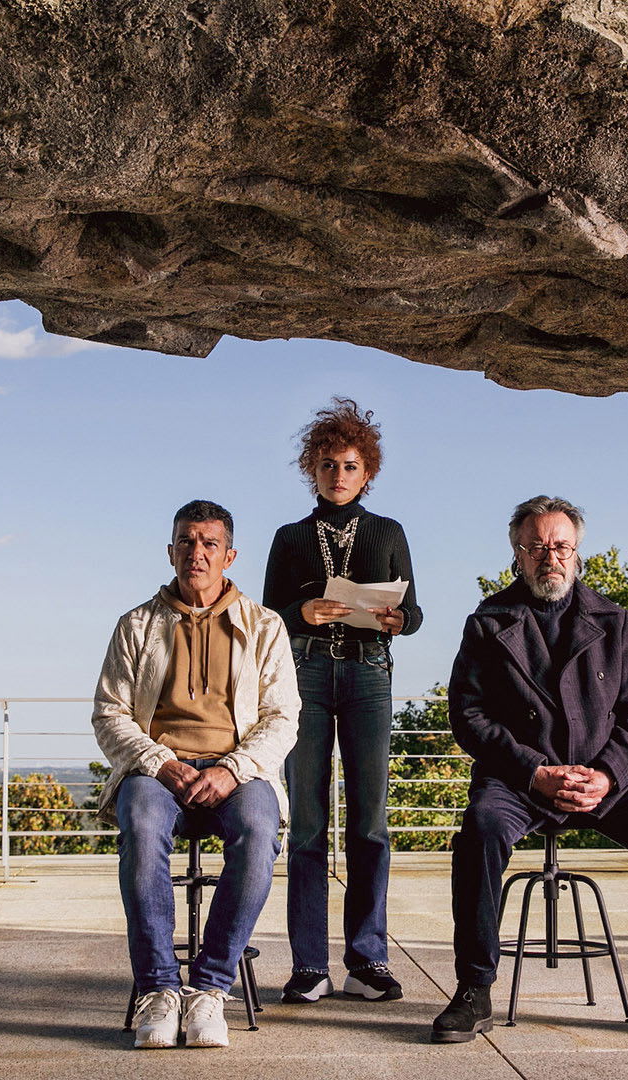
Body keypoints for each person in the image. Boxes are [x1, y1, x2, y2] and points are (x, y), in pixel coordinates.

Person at [430, 495, 628, 1044]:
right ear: (517, 554)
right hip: (518, 782)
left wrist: (608, 774)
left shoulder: (613, 620)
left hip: (602, 778)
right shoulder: (487, 622)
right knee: (480, 830)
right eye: (537, 546)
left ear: (578, 552)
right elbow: (467, 715)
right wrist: (534, 771)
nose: (550, 556)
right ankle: (473, 989)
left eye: (561, 545)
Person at [92, 499, 300, 1049]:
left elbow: (283, 718)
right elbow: (109, 712)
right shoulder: (136, 625)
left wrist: (234, 770)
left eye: (209, 544)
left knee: (260, 831)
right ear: (170, 551)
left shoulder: (265, 626)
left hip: (239, 773)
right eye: (186, 542)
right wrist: (160, 763)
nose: (197, 553)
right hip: (158, 772)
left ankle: (209, 987)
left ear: (229, 555)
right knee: (138, 821)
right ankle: (159, 989)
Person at [263, 398, 423, 1004]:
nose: (339, 475)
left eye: (350, 465)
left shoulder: (388, 532)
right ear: (313, 469)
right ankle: (309, 965)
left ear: (368, 472)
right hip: (304, 678)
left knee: (370, 824)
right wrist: (300, 611)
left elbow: (416, 613)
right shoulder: (290, 537)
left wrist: (395, 618)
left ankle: (367, 959)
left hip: (368, 678)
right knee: (306, 824)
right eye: (328, 464)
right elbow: (267, 613)